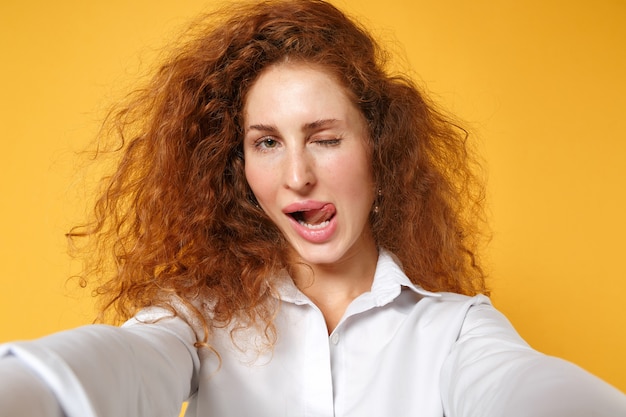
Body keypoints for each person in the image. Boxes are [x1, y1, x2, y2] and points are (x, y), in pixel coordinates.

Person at [1, 0, 625, 416]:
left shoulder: (456, 329)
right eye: (266, 143)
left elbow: (525, 389)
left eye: (325, 139)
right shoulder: (199, 319)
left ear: (381, 152)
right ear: (238, 168)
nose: (297, 176)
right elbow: (117, 367)